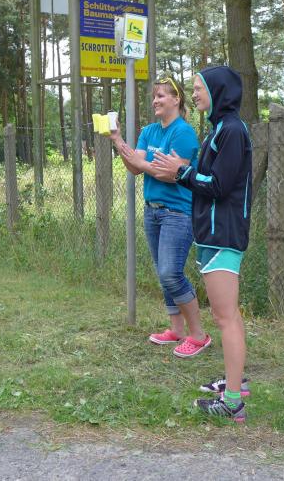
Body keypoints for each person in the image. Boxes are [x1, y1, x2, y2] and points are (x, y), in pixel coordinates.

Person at [152, 65, 252, 422]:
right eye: (193, 88)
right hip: (213, 233)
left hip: (223, 233)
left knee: (225, 318)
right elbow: (210, 179)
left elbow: (219, 185)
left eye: (198, 88)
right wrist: (182, 172)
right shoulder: (220, 129)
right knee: (228, 316)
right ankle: (236, 382)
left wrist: (179, 172)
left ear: (217, 91)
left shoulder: (233, 131)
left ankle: (233, 402)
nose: (193, 94)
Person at [108, 74, 210, 358]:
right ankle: (176, 330)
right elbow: (135, 167)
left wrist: (144, 163)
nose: (155, 100)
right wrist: (118, 140)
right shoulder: (150, 131)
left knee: (170, 272)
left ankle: (199, 335)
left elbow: (173, 174)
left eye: (161, 95)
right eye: (154, 96)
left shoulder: (183, 133)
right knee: (162, 272)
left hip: (178, 212)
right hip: (152, 211)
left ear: (176, 99)